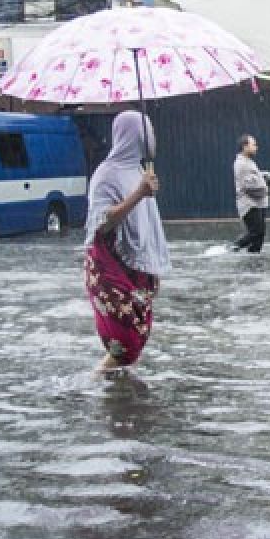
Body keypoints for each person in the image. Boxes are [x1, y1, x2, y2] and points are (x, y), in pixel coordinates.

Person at [83, 111, 171, 374]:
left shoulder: (140, 170)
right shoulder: (106, 174)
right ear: (134, 135)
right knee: (125, 341)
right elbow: (103, 221)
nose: (153, 136)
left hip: (135, 267)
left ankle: (116, 393)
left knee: (139, 335)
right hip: (109, 265)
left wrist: (152, 266)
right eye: (149, 130)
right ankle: (92, 381)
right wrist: (139, 194)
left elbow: (147, 223)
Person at [232, 134, 270, 253]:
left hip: (257, 203)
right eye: (253, 144)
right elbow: (248, 185)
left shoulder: (247, 162)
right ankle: (232, 248)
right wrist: (265, 185)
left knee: (259, 236)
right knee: (256, 232)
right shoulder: (242, 164)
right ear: (245, 147)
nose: (256, 147)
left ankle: (253, 259)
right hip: (249, 204)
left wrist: (263, 175)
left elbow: (252, 177)